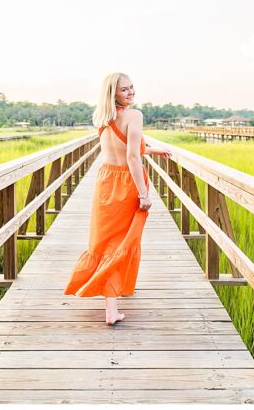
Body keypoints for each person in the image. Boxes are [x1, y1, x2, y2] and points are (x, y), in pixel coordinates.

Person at [64, 72, 172, 324]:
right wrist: (143, 194)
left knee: (105, 241)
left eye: (132, 87)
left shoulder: (102, 117)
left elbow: (121, 145)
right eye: (124, 89)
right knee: (122, 242)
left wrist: (153, 149)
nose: (131, 92)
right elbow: (132, 157)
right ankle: (111, 310)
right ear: (113, 93)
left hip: (105, 181)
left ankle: (111, 303)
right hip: (126, 183)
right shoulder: (135, 116)